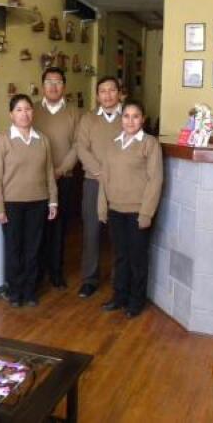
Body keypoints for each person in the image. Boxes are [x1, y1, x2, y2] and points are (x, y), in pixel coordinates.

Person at [0, 94, 58, 307]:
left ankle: (29, 291)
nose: (24, 114)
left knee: (33, 249)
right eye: (19, 110)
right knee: (14, 249)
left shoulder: (43, 140)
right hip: (11, 204)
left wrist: (53, 201)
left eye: (27, 109)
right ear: (11, 115)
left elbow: (49, 173)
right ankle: (15, 291)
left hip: (38, 202)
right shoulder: (2, 140)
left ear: (32, 112)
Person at [98, 100, 163, 318]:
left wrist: (146, 213)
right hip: (115, 209)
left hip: (138, 212)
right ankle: (119, 296)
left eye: (136, 116)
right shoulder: (113, 144)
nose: (130, 121)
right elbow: (104, 178)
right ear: (121, 119)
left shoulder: (150, 144)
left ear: (142, 119)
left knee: (137, 259)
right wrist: (102, 206)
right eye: (126, 116)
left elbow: (155, 180)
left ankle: (136, 301)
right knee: (120, 257)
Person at [33, 67, 80, 289]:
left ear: (64, 86)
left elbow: (78, 145)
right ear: (42, 86)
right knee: (37, 226)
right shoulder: (32, 110)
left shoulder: (74, 113)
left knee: (59, 226)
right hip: (35, 179)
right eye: (49, 82)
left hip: (64, 177)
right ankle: (37, 272)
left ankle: (56, 271)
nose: (53, 86)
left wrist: (61, 170)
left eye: (58, 82)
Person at [76, 76, 123, 298]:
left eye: (112, 90)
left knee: (118, 231)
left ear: (119, 93)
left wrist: (114, 174)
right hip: (93, 181)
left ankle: (119, 279)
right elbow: (81, 148)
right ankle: (89, 279)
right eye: (102, 91)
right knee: (91, 231)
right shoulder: (88, 119)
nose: (107, 95)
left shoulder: (128, 117)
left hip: (121, 183)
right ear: (97, 96)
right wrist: (100, 172)